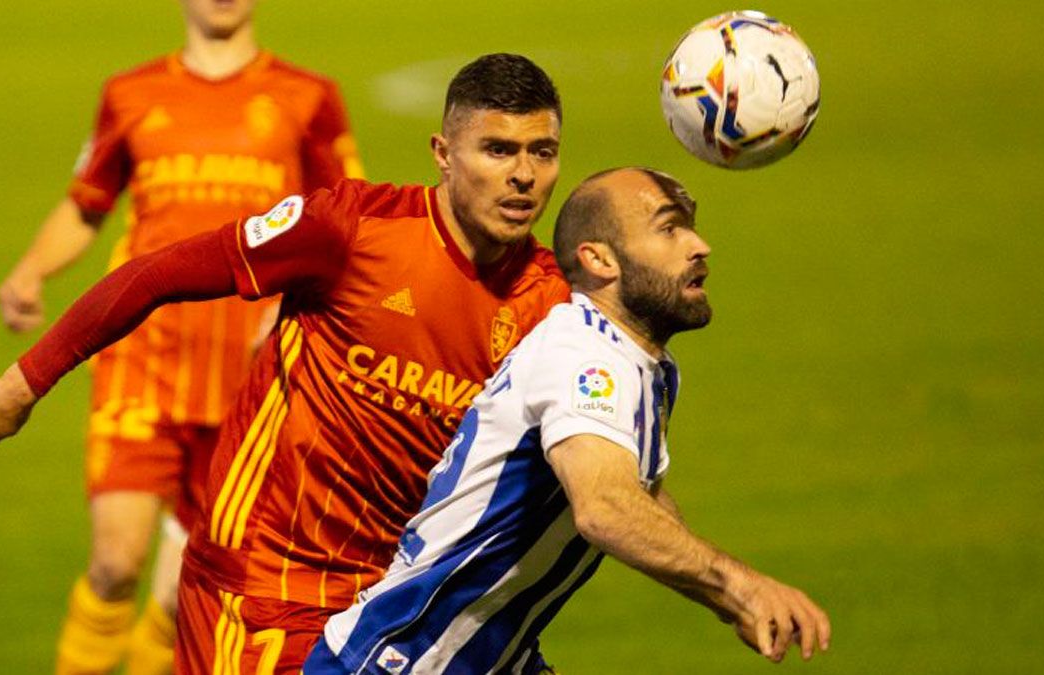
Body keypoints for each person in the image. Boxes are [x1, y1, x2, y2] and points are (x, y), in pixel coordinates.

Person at [0, 53, 572, 674]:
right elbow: (158, 273)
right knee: (116, 564)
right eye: (498, 151)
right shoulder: (351, 231)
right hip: (262, 593)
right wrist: (25, 381)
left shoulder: (550, 305)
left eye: (542, 152)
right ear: (443, 153)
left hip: (392, 603)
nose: (523, 175)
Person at [304, 167, 833, 674]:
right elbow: (606, 508)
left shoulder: (643, 364)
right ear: (600, 259)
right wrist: (743, 586)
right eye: (669, 228)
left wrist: (729, 601)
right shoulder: (587, 359)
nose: (699, 246)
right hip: (406, 660)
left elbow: (637, 496)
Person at [0, 1, 362, 672]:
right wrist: (30, 270)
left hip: (250, 376)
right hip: (144, 359)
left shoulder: (307, 96)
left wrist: (292, 299)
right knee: (112, 562)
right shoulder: (131, 93)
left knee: (179, 599)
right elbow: (88, 203)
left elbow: (347, 220)